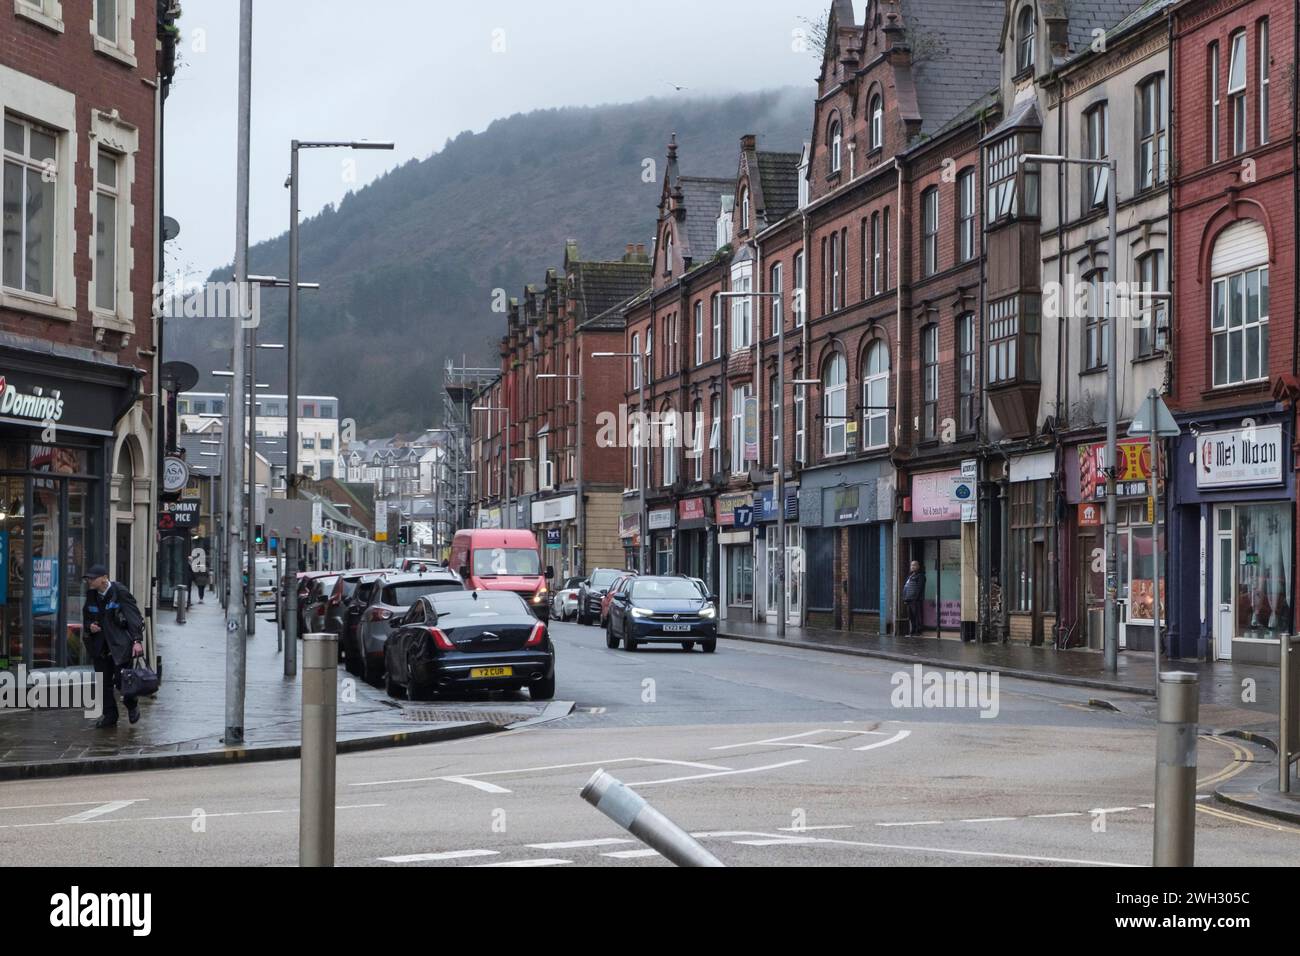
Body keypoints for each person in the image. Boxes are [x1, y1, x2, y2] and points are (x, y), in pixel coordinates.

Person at [82, 564, 145, 729]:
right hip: (100, 647)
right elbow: (87, 617)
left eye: (92, 578)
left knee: (122, 682)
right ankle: (110, 716)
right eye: (88, 578)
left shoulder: (120, 592)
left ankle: (132, 705)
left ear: (104, 578)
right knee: (103, 684)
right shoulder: (91, 595)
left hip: (120, 646)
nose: (89, 581)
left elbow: (134, 616)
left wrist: (137, 640)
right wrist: (90, 626)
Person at [902, 560, 926, 637]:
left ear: (918, 566)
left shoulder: (921, 576)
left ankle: (918, 631)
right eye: (911, 565)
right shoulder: (910, 576)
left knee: (917, 616)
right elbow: (906, 587)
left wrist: (916, 599)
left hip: (915, 600)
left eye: (914, 565)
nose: (912, 566)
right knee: (911, 616)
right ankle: (913, 631)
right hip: (908, 600)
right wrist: (905, 598)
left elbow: (919, 588)